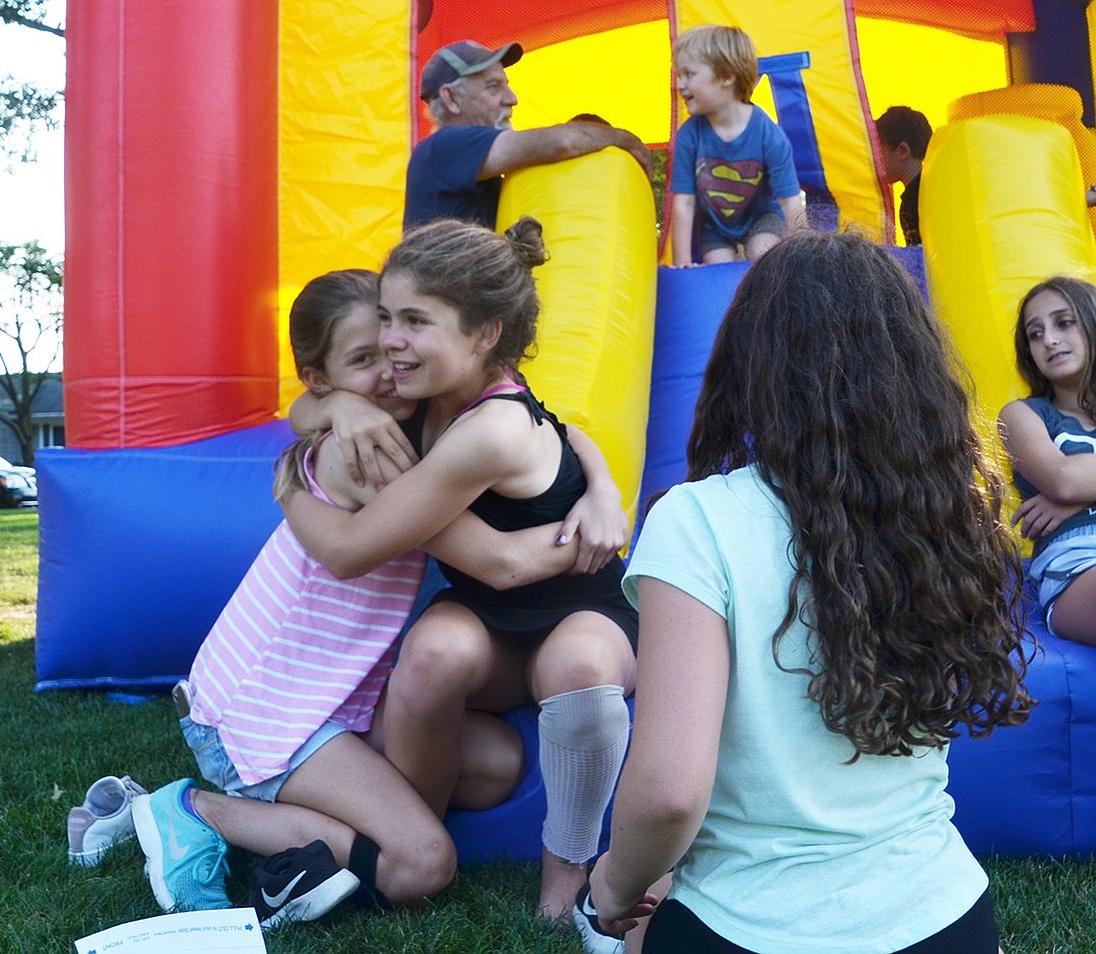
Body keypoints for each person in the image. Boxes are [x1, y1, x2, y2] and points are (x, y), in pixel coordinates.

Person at [585, 231, 1034, 953]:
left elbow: (669, 791)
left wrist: (610, 885)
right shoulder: (942, 508)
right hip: (948, 918)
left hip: (756, 928)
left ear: (751, 361)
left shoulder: (699, 519)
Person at [131, 269, 595, 928]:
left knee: (495, 764)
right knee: (420, 863)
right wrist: (607, 527)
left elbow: (545, 424)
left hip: (329, 695)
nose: (388, 370)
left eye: (392, 347)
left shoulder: (394, 423)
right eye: (362, 360)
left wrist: (599, 480)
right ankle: (196, 811)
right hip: (260, 709)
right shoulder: (371, 455)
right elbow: (500, 563)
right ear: (320, 378)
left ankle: (321, 829)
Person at [281, 217, 638, 935]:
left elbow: (380, 552)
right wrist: (335, 400)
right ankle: (411, 829)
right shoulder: (426, 396)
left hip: (581, 605)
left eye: (415, 320)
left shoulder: (490, 426)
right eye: (386, 317)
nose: (390, 340)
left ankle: (565, 865)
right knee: (434, 650)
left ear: (483, 334)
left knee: (577, 662)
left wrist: (609, 500)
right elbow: (567, 430)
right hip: (485, 607)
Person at [404, 39, 652, 230]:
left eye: (507, 85)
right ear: (452, 99)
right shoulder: (445, 145)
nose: (512, 99)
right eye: (494, 87)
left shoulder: (476, 167)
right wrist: (628, 141)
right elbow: (563, 143)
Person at [999, 276, 1096, 646]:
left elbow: (1072, 489)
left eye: (1063, 322)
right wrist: (1072, 491)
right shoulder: (1022, 415)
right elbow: (1062, 479)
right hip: (1078, 566)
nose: (1049, 340)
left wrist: (1078, 502)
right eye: (1035, 334)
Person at [669, 25, 804, 266]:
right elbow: (684, 201)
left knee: (762, 254)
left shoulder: (768, 136)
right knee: (720, 270)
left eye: (689, 74)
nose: (680, 84)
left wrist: (804, 258)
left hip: (763, 217)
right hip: (716, 225)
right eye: (679, 76)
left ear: (727, 76)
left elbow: (790, 201)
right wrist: (683, 263)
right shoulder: (689, 136)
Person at [874, 105, 932, 246]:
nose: (874, 160)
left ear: (902, 150)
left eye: (878, 152)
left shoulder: (920, 198)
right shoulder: (917, 192)